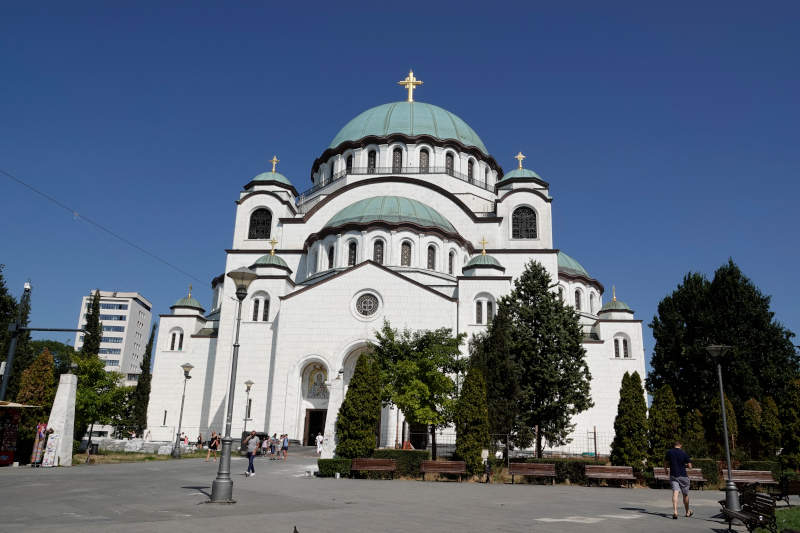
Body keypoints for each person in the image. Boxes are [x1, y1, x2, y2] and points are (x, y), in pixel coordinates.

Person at [665, 440, 693, 519]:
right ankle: (687, 512)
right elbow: (690, 467)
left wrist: (666, 470)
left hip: (673, 475)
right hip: (683, 476)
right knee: (685, 495)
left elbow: (665, 462)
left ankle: (675, 512)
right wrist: (687, 465)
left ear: (674, 445)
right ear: (680, 445)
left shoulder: (669, 452)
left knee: (675, 493)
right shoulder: (684, 453)